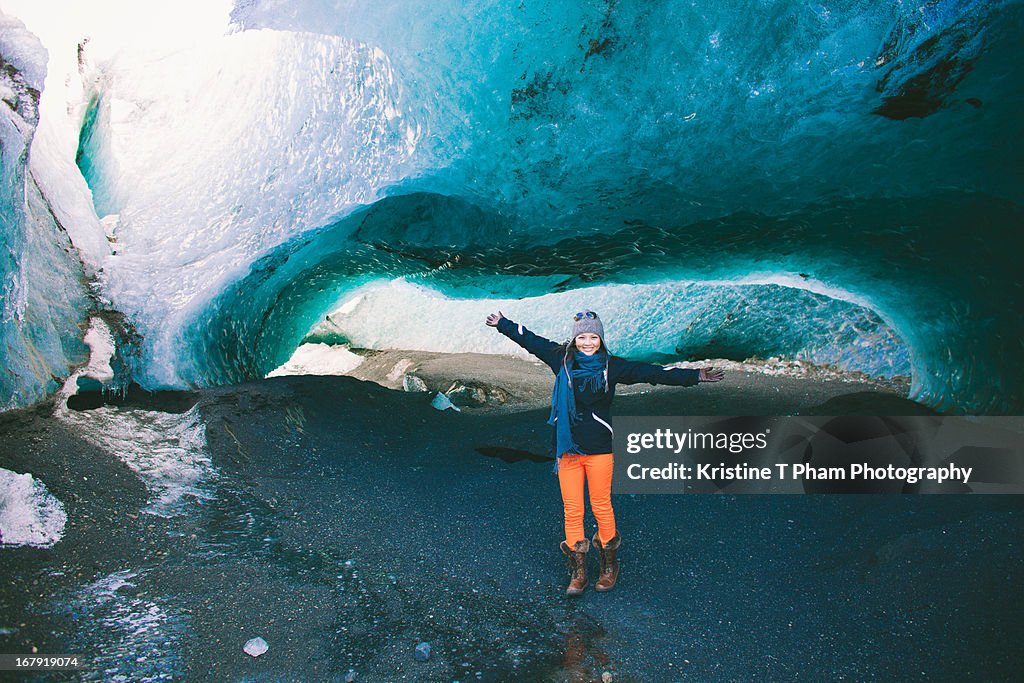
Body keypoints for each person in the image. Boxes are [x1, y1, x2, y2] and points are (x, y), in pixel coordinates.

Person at [485, 309, 724, 595]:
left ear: (600, 338)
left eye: (593, 337)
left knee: (601, 506)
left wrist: (694, 375)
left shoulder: (611, 366)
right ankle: (579, 572)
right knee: (573, 510)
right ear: (574, 339)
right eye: (583, 337)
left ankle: (609, 566)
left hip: (599, 448)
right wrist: (502, 324)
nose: (588, 342)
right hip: (567, 450)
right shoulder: (560, 358)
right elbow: (530, 340)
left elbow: (651, 373)